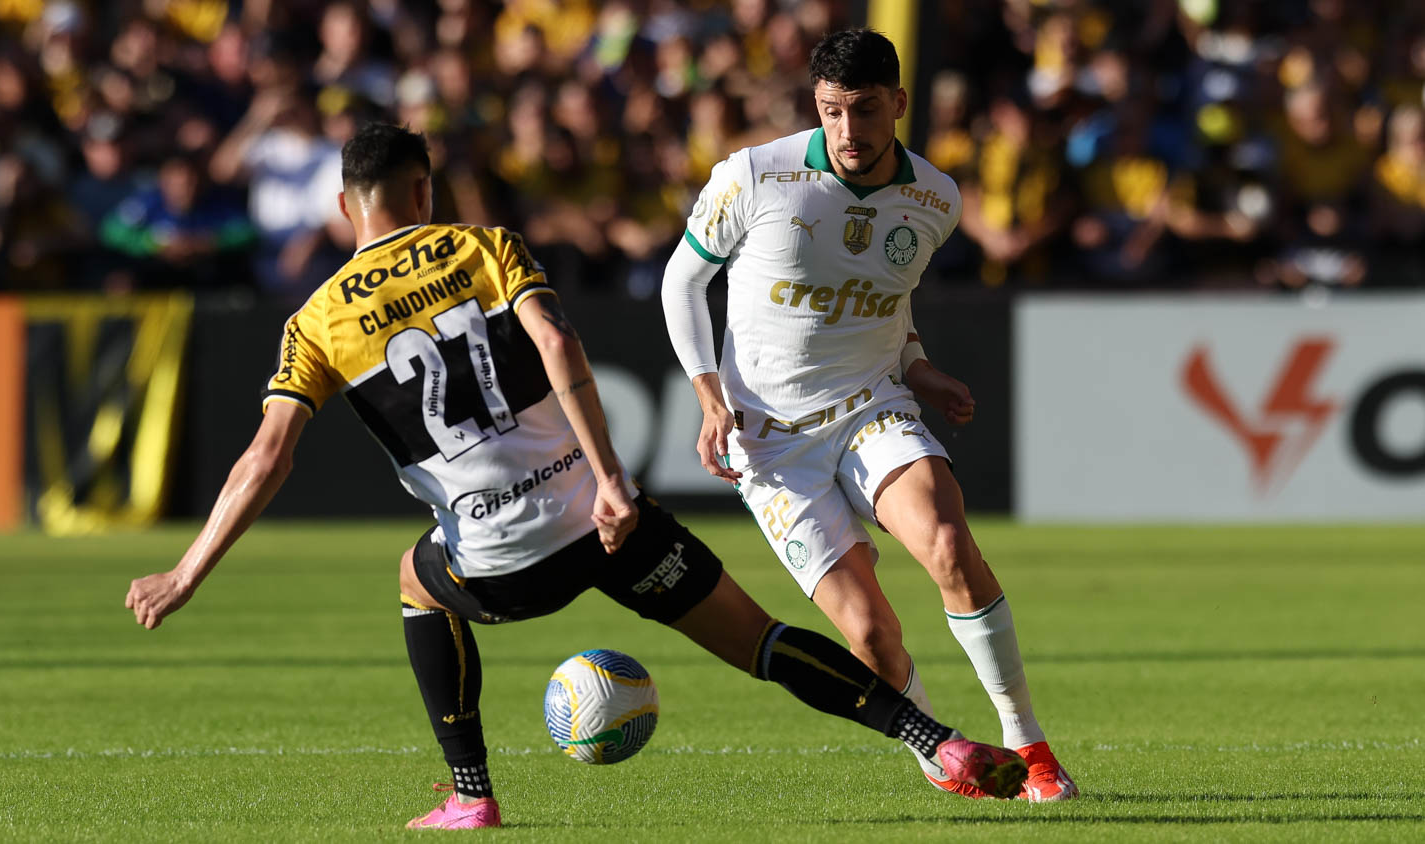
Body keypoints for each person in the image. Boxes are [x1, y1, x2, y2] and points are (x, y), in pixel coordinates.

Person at [124, 122, 1029, 831]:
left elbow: (266, 457)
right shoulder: (483, 246)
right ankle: (935, 741)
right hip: (605, 519)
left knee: (414, 580)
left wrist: (186, 570)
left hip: (497, 560)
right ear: (423, 191)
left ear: (343, 204)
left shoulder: (317, 320)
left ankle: (471, 793)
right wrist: (609, 480)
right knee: (759, 640)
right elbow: (557, 342)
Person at [661, 29, 1079, 802]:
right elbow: (682, 282)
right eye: (831, 112)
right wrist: (709, 394)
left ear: (900, 103)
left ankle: (1033, 749)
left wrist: (915, 367)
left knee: (950, 543)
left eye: (864, 111)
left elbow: (890, 300)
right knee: (869, 634)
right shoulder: (754, 176)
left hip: (869, 409)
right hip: (773, 446)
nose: (848, 132)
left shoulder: (935, 199)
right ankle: (944, 757)